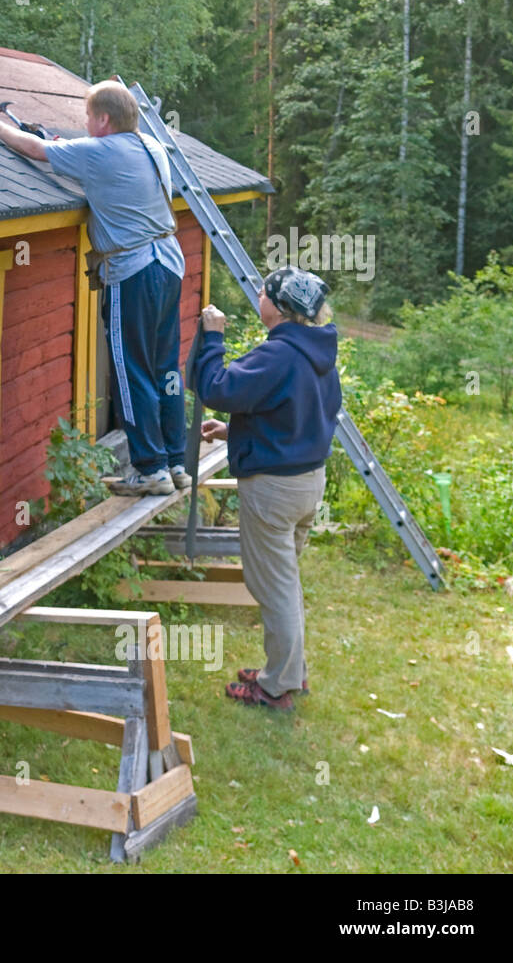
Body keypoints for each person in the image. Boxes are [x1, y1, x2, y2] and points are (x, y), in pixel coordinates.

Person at [0, 82, 187, 495]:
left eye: (89, 117)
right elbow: (94, 162)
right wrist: (69, 147)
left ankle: (149, 469)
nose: (85, 124)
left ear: (104, 119)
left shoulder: (99, 152)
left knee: (130, 369)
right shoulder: (152, 147)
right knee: (165, 370)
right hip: (169, 263)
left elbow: (34, 150)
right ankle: (176, 463)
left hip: (133, 270)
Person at [193, 266, 341, 711]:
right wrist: (234, 432)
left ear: (278, 307)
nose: (257, 295)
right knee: (286, 583)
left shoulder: (279, 354)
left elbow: (217, 386)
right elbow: (296, 412)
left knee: (274, 588)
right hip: (307, 481)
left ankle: (276, 688)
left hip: (274, 489)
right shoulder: (314, 350)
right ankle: (288, 670)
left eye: (263, 292)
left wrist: (212, 337)